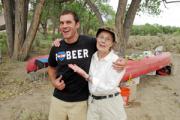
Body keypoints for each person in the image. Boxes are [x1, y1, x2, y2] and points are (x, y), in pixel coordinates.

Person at [48, 10, 126, 120]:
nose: (64, 26)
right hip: (58, 99)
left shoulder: (89, 42)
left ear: (77, 24)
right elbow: (51, 67)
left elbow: (107, 46)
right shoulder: (57, 46)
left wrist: (123, 60)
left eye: (68, 22)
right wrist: (53, 81)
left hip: (81, 102)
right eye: (62, 23)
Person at [68, 27, 127, 120]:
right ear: (96, 39)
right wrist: (61, 42)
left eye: (108, 39)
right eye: (101, 37)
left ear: (112, 43)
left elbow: (108, 86)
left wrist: (86, 76)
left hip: (110, 104)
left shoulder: (116, 62)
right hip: (92, 103)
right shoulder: (92, 57)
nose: (103, 41)